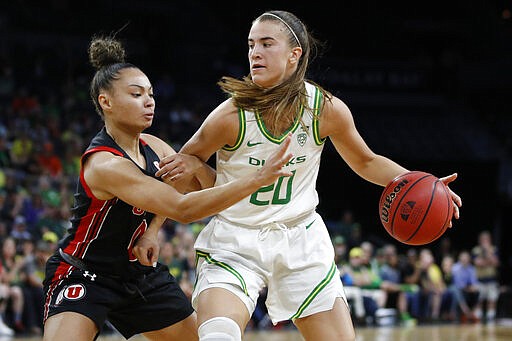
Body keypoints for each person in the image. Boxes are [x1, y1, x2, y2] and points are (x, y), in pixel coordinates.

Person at [156, 10, 462, 341]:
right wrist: (154, 228)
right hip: (235, 239)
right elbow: (177, 174)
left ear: (294, 54)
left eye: (266, 44)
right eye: (251, 45)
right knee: (218, 336)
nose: (255, 53)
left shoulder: (324, 109)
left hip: (300, 239)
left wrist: (422, 184)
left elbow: (366, 161)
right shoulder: (229, 116)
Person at [42, 35, 293, 341]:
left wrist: (153, 228)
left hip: (141, 275)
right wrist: (256, 179)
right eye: (136, 94)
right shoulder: (105, 165)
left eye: (150, 94)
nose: (149, 101)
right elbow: (184, 209)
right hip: (84, 272)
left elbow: (204, 187)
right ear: (105, 102)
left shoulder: (155, 147)